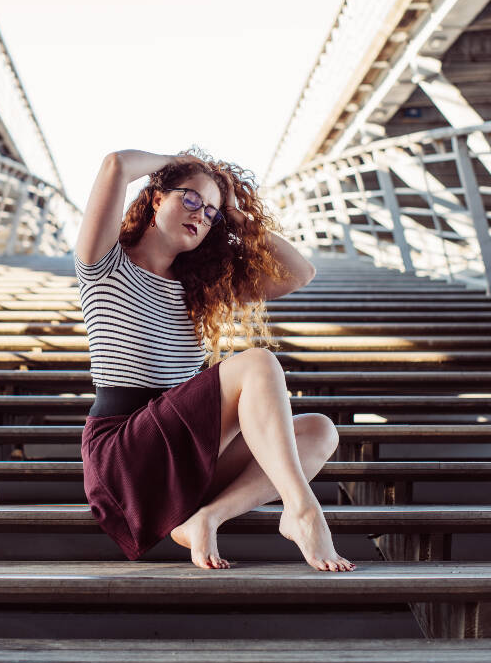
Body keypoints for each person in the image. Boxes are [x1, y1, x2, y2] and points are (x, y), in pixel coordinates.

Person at [73, 146, 356, 572]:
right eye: (189, 199)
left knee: (320, 432)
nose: (200, 215)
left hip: (183, 455)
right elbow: (115, 163)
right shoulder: (104, 264)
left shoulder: (200, 290)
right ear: (156, 198)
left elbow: (300, 273)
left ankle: (207, 517)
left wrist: (238, 217)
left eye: (210, 213)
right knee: (259, 363)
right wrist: (180, 162)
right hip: (125, 457)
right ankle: (303, 510)